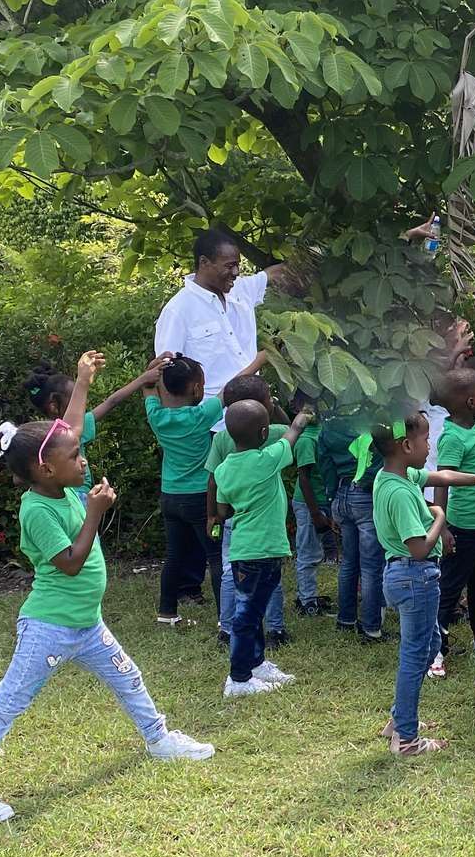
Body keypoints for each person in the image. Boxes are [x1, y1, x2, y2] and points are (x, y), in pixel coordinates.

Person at [0, 420, 214, 822]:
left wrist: (84, 381)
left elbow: (68, 425)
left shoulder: (65, 489)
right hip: (49, 628)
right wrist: (94, 513)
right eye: (73, 456)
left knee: (129, 678)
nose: (82, 459)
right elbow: (70, 563)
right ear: (46, 469)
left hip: (87, 624)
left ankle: (158, 739)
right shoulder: (36, 509)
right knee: (8, 703)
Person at [372, 411, 475, 754]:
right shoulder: (399, 492)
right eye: (426, 440)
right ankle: (407, 740)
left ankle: (400, 719)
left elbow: (442, 475)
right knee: (416, 653)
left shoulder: (394, 475)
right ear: (405, 445)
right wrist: (441, 518)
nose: (429, 445)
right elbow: (418, 549)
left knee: (429, 644)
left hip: (406, 577)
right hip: (414, 576)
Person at [213, 398, 315, 700]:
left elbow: (223, 509)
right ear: (262, 434)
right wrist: (304, 414)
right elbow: (293, 433)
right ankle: (239, 679)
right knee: (247, 616)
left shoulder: (223, 469)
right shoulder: (268, 459)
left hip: (244, 549)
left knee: (252, 610)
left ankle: (256, 664)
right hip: (263, 551)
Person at [153, 225, 299, 398]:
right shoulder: (178, 310)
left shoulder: (240, 290)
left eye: (237, 265)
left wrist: (308, 261)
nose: (236, 272)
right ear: (204, 262)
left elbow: (272, 274)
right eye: (229, 266)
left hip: (254, 410)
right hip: (212, 420)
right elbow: (166, 375)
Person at [204, 374, 287, 646]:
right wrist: (276, 410)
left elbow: (213, 478)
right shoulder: (272, 434)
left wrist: (212, 515)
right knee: (270, 578)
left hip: (235, 521)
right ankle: (275, 629)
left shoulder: (222, 438)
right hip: (266, 527)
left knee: (231, 573)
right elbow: (292, 432)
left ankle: (227, 628)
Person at [143, 354, 222, 625]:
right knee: (216, 556)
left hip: (170, 497)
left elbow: (147, 386)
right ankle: (226, 618)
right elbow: (230, 390)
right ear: (197, 389)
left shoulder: (157, 416)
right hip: (201, 498)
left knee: (174, 556)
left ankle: (167, 613)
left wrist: (154, 368)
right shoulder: (200, 416)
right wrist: (262, 358)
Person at [433, 366, 475, 671]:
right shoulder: (454, 437)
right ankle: (436, 649)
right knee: (449, 587)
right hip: (461, 526)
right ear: (472, 402)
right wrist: (442, 525)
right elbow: (443, 479)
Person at [24, 350, 150, 492]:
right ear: (54, 406)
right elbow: (111, 402)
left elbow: (112, 402)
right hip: (75, 498)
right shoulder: (65, 433)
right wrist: (143, 379)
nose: (82, 402)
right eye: (75, 398)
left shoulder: (36, 437)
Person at [323, 413, 385, 643]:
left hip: (341, 493)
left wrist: (331, 498)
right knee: (371, 566)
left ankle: (346, 618)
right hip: (365, 495)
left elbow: (325, 463)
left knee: (349, 561)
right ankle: (371, 628)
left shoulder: (330, 426)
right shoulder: (371, 421)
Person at [288, 396, 329, 618]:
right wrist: (315, 513)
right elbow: (303, 478)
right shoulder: (306, 441)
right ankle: (307, 600)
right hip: (308, 503)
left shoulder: (323, 432)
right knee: (308, 552)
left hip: (323, 499)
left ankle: (309, 596)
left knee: (315, 549)